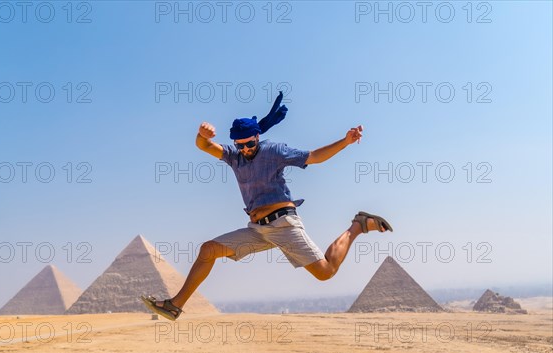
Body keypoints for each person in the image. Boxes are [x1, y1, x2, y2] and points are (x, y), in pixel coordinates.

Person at [141, 92, 392, 320]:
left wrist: (345, 141)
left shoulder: (274, 151)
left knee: (326, 272)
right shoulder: (234, 157)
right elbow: (204, 146)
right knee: (208, 250)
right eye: (240, 145)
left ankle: (357, 226)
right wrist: (202, 134)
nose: (246, 149)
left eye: (250, 144)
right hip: (256, 230)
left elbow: (314, 156)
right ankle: (175, 306)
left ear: (258, 137)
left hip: (283, 224)